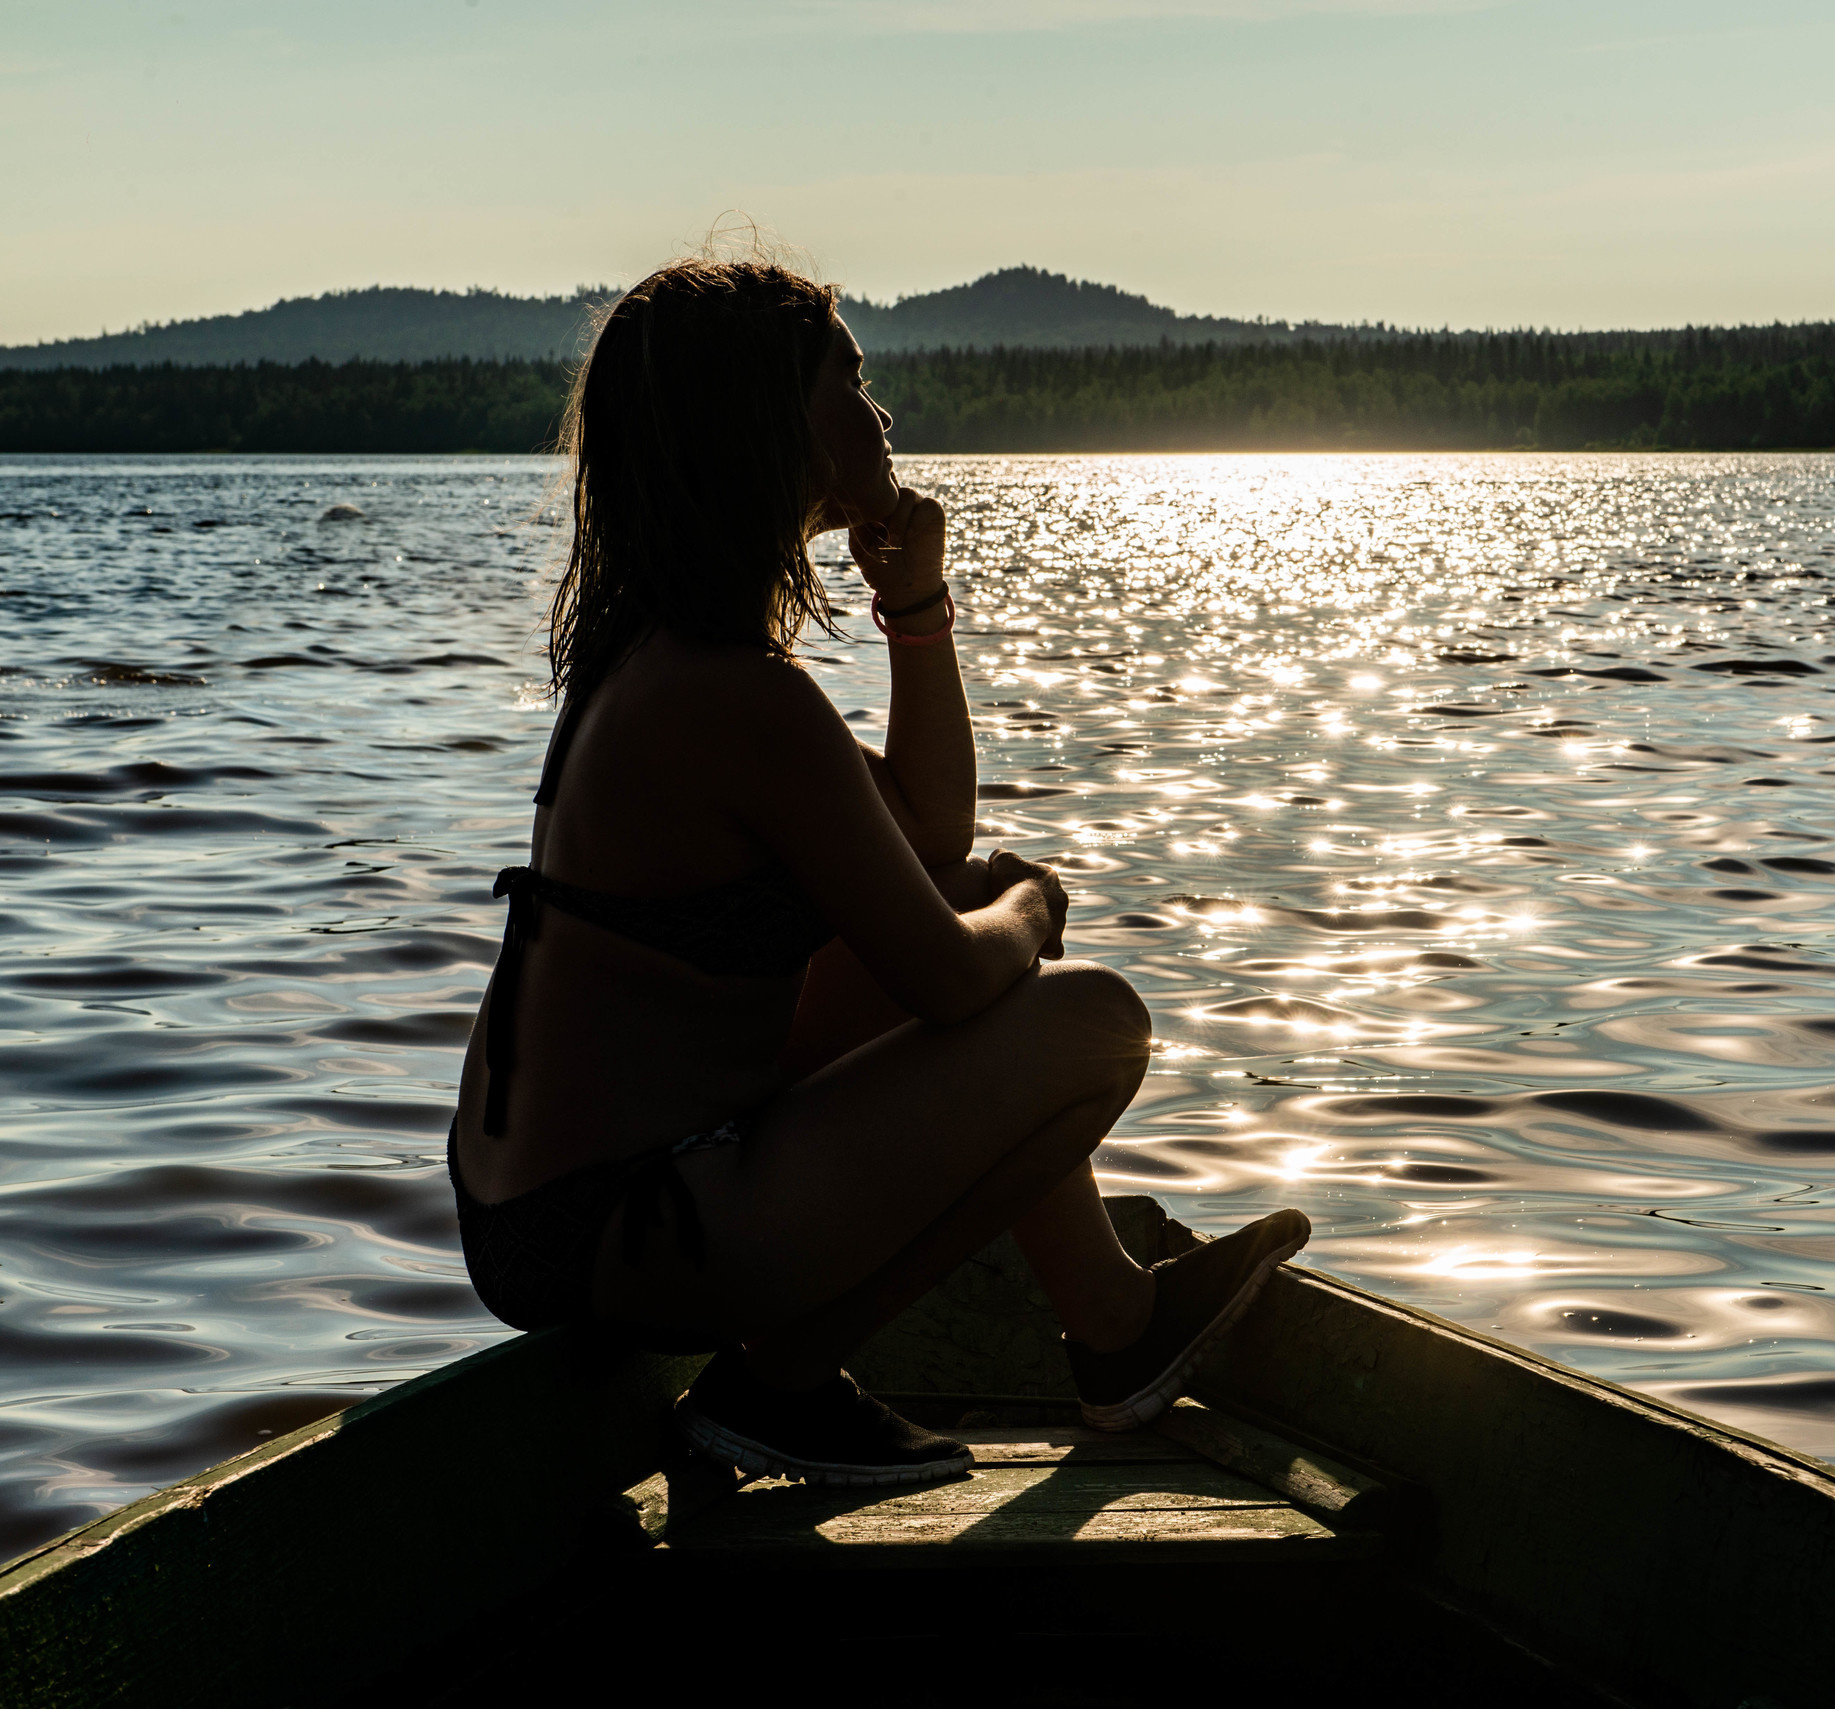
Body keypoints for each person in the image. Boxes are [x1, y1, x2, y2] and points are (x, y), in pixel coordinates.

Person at [446, 256, 1307, 1488]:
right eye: (848, 379)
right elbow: (959, 979)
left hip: (570, 1215)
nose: (881, 412)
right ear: (770, 426)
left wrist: (918, 609)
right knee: (1093, 1026)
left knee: (947, 913)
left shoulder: (672, 667)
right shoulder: (730, 697)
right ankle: (782, 1383)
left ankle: (1116, 1322)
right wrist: (1033, 907)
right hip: (623, 1226)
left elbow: (924, 834)